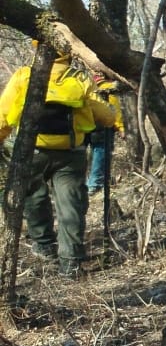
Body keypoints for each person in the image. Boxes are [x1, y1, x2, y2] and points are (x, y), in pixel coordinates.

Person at [0, 42, 117, 276]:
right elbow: (105, 117)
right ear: (68, 52)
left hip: (30, 152)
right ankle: (71, 262)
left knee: (34, 198)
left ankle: (44, 246)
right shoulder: (80, 78)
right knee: (71, 205)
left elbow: (3, 115)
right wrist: (112, 113)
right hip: (70, 155)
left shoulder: (24, 76)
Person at [86, 74, 124, 194]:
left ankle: (91, 182)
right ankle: (95, 183)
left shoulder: (89, 87)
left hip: (86, 125)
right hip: (103, 126)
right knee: (101, 151)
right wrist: (120, 127)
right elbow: (114, 110)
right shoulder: (109, 88)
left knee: (91, 152)